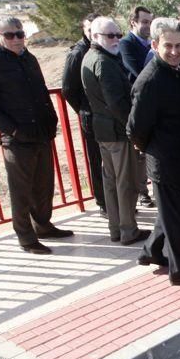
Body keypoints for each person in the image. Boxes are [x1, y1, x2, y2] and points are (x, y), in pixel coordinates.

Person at [0, 16, 74, 254]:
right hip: (17, 138)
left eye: (20, 34)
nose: (16, 39)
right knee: (21, 190)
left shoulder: (29, 58)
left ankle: (43, 226)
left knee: (44, 185)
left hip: (41, 133)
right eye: (10, 35)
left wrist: (51, 120)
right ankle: (26, 238)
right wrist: (10, 128)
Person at [127, 18, 180, 285]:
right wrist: (152, 149)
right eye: (168, 46)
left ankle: (150, 251)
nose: (174, 52)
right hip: (167, 161)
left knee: (173, 212)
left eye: (179, 45)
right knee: (178, 218)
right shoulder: (150, 80)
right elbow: (135, 128)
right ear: (154, 45)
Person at [81, 16, 149, 246]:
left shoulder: (93, 57)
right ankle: (127, 229)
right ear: (95, 36)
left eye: (118, 35)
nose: (116, 39)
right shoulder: (104, 62)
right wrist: (133, 129)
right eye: (110, 35)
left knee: (111, 182)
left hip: (104, 130)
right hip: (117, 132)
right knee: (124, 182)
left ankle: (116, 228)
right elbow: (117, 102)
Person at [61, 11, 105, 215]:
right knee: (97, 161)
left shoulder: (106, 50)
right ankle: (104, 202)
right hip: (92, 117)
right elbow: (69, 89)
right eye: (90, 30)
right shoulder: (77, 54)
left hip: (106, 117)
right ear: (85, 31)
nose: (94, 34)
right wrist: (84, 110)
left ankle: (113, 202)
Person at [118, 5, 156, 208]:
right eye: (144, 22)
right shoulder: (126, 44)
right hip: (138, 102)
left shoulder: (151, 43)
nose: (148, 26)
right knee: (139, 152)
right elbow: (138, 71)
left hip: (153, 102)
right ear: (133, 22)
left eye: (150, 21)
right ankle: (142, 191)